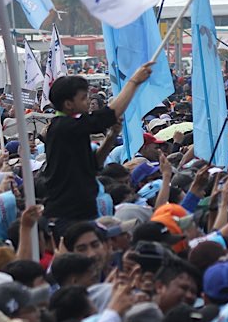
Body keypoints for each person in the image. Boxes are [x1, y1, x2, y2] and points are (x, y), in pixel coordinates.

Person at [42, 62, 153, 236]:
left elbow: (94, 165)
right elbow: (107, 116)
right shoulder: (64, 126)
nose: (88, 102)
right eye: (84, 98)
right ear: (69, 104)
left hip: (82, 209)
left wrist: (110, 137)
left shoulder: (72, 127)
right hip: (67, 213)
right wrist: (133, 82)